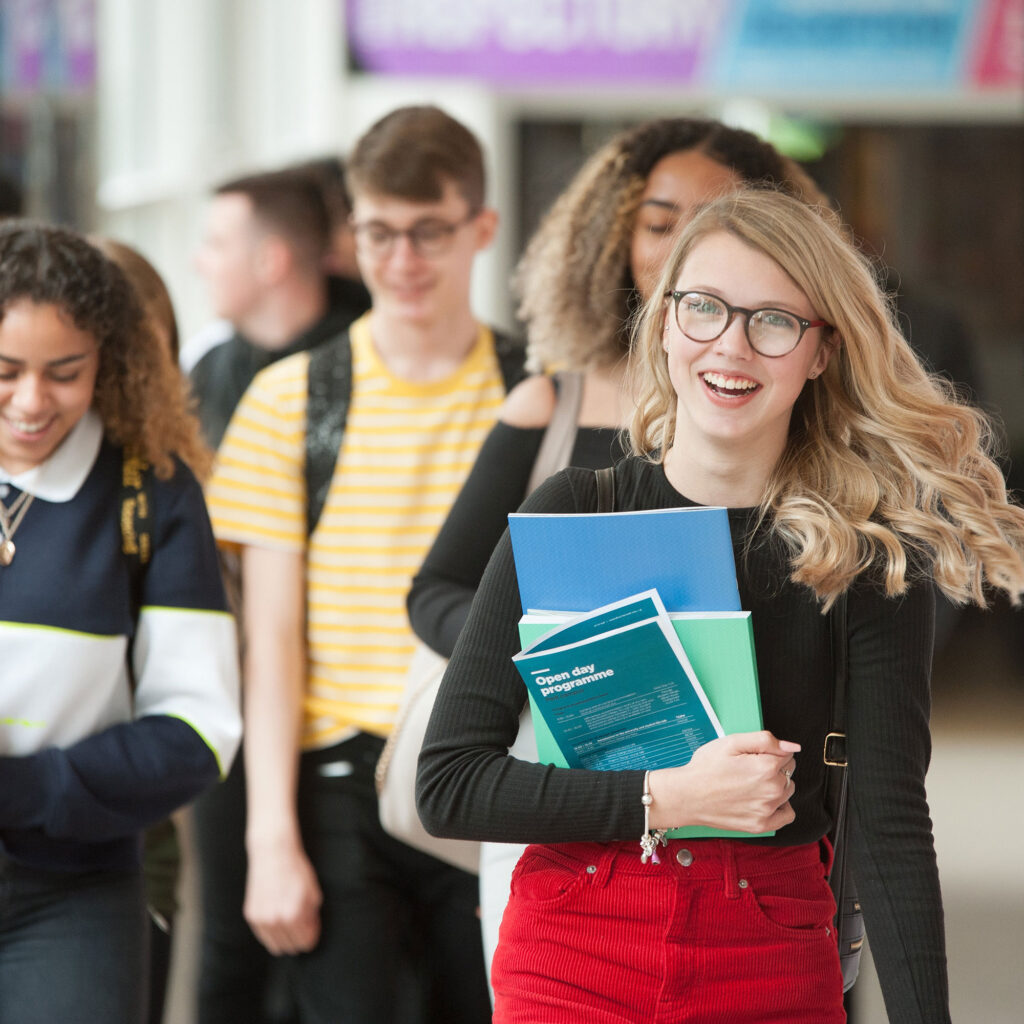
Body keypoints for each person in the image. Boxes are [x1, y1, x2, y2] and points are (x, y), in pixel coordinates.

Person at [416, 189, 1024, 1024]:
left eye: (774, 320)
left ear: (822, 351)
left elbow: (889, 825)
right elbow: (449, 783)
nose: (730, 346)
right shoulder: (575, 511)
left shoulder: (864, 551)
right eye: (704, 308)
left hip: (769, 954)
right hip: (572, 949)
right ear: (664, 324)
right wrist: (664, 799)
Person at [406, 116, 829, 978]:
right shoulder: (552, 409)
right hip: (565, 783)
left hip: (756, 843)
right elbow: (442, 594)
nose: (687, 240)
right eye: (660, 218)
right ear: (617, 232)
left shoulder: (812, 474)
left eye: (716, 215)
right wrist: (560, 661)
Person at [204, 104, 525, 1023]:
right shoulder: (289, 399)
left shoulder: (535, 393)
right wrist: (271, 839)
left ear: (481, 229)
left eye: (430, 232)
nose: (403, 260)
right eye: (379, 232)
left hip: (491, 766)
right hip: (339, 777)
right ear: (352, 232)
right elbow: (270, 643)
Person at [0, 221, 241, 1024]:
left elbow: (199, 731)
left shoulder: (153, 493)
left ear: (107, 361)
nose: (32, 402)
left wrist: (26, 790)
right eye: (4, 371)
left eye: (63, 373)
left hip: (72, 894)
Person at [186, 167, 369, 442]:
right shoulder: (208, 372)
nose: (198, 263)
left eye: (216, 244)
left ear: (269, 261)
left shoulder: (369, 363)